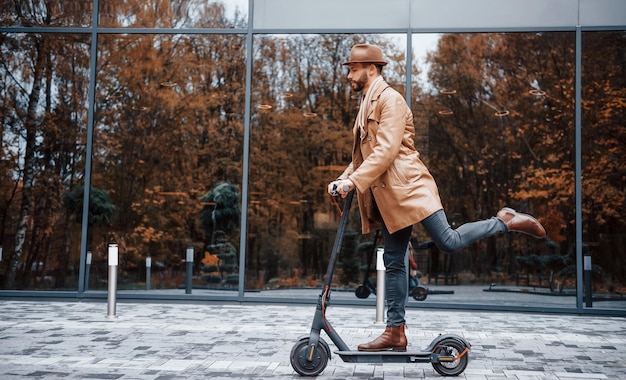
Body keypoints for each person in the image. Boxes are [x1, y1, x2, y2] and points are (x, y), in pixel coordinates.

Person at [327, 43, 546, 352]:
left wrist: (354, 182)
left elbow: (387, 151)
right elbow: (364, 156)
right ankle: (395, 331)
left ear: (372, 69)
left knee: (449, 241)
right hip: (389, 196)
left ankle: (503, 221)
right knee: (393, 262)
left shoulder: (391, 100)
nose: (349, 76)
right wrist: (343, 178)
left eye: (353, 69)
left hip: (412, 188)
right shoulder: (364, 105)